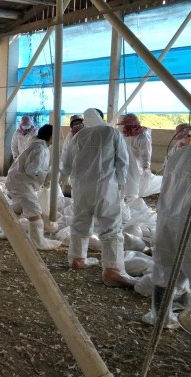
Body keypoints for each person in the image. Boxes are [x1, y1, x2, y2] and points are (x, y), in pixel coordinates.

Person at [62, 108, 137, 288]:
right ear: (101, 118)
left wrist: (67, 179)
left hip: (81, 188)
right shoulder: (111, 132)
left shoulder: (79, 136)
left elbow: (67, 163)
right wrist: (121, 183)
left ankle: (77, 259)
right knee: (111, 227)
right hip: (105, 187)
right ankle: (113, 270)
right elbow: (122, 161)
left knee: (80, 222)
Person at [141, 145, 191, 329]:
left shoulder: (180, 154)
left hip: (170, 219)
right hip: (182, 220)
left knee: (165, 269)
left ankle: (160, 315)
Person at [5, 124, 61, 250]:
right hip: (21, 182)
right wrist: (46, 177)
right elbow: (32, 170)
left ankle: (8, 232)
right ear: (51, 137)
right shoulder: (40, 148)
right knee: (35, 211)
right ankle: (38, 242)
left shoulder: (38, 145)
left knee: (19, 207)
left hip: (18, 180)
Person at [117, 113, 154, 200]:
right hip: (124, 162)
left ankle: (133, 202)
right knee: (124, 185)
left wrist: (146, 167)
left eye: (127, 125)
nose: (124, 127)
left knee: (134, 186)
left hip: (136, 165)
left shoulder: (142, 136)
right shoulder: (125, 134)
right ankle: (125, 201)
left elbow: (146, 153)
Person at [59, 115, 84, 195]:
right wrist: (63, 169)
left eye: (79, 123)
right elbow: (65, 152)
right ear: (71, 126)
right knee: (74, 187)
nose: (77, 125)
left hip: (85, 165)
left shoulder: (86, 134)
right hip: (73, 165)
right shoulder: (70, 136)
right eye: (75, 123)